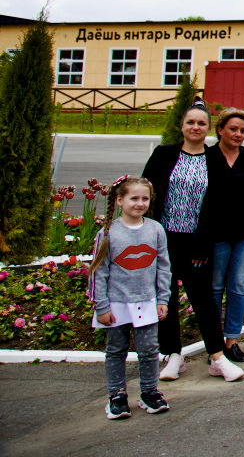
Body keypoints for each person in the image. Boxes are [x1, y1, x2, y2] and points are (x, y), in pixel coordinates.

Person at [143, 102, 241, 382]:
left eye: (201, 123)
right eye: (190, 122)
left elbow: (221, 205)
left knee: (204, 300)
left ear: (208, 128)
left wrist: (203, 243)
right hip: (163, 240)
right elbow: (147, 195)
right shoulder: (163, 155)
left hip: (197, 242)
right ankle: (173, 355)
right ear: (182, 126)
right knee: (166, 297)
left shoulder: (215, 159)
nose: (195, 128)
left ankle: (217, 356)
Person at [89, 176, 171, 419]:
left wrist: (162, 299)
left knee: (148, 349)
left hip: (146, 302)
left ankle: (149, 392)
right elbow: (97, 271)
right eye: (133, 198)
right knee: (116, 349)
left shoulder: (155, 229)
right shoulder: (107, 233)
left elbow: (164, 267)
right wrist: (101, 306)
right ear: (119, 200)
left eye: (144, 198)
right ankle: (116, 395)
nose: (140, 203)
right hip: (116, 304)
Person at [206, 108, 244, 364]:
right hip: (217, 233)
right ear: (220, 130)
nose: (238, 134)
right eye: (233, 129)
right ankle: (213, 343)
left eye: (243, 130)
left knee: (239, 287)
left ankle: (231, 340)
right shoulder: (207, 157)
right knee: (214, 287)